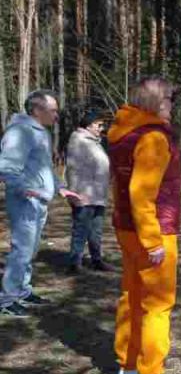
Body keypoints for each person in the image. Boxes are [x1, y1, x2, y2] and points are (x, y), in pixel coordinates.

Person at [108, 76, 181, 374]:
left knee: (132, 296)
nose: (172, 106)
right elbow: (141, 193)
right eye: (170, 99)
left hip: (127, 228)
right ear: (157, 102)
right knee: (157, 304)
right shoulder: (152, 136)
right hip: (153, 230)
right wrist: (153, 241)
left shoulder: (124, 131)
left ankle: (129, 368)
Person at [0, 90, 82, 318]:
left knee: (31, 249)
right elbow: (7, 167)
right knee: (22, 250)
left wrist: (60, 187)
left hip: (38, 200)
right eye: (53, 110)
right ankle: (7, 299)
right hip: (25, 200)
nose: (57, 115)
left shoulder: (40, 133)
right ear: (37, 110)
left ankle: (22, 291)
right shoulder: (20, 132)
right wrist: (23, 189)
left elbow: (44, 168)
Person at [65, 109, 113, 273]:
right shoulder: (79, 141)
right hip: (84, 194)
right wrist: (75, 194)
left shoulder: (94, 142)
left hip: (98, 194)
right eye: (99, 125)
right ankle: (74, 263)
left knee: (96, 231)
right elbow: (73, 169)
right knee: (81, 229)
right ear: (89, 125)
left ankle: (96, 260)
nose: (101, 128)